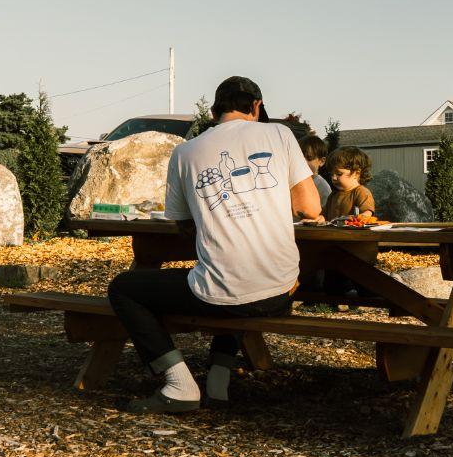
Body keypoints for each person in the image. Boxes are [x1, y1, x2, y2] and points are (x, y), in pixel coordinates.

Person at [107, 75, 320, 414]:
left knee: (124, 288)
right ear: (256, 106)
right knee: (234, 275)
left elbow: (181, 222)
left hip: (222, 294)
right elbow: (310, 208)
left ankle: (179, 383)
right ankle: (218, 376)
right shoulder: (280, 134)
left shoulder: (185, 151)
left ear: (214, 110)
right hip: (281, 290)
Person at [321, 146, 375, 222]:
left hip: (353, 233)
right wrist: (319, 218)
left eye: (339, 174)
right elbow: (324, 215)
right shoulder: (333, 195)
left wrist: (359, 217)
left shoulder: (361, 192)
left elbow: (367, 213)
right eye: (331, 174)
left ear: (356, 174)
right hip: (333, 233)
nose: (333, 178)